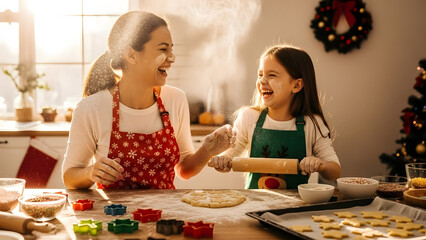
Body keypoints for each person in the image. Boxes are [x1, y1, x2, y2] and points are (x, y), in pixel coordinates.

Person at [62, 11, 235, 189]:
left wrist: (208, 151)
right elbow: (70, 177)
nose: (172, 58)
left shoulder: (175, 99)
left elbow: (183, 169)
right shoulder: (91, 108)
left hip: (166, 214)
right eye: (163, 49)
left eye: (171, 49)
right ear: (131, 55)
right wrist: (90, 172)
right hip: (115, 215)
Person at [208, 44, 341, 189]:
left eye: (272, 75)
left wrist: (319, 165)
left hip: (295, 207)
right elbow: (230, 157)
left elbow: (334, 171)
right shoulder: (249, 117)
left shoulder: (312, 123)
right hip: (253, 206)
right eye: (260, 75)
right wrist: (223, 161)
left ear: (296, 85)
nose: (262, 81)